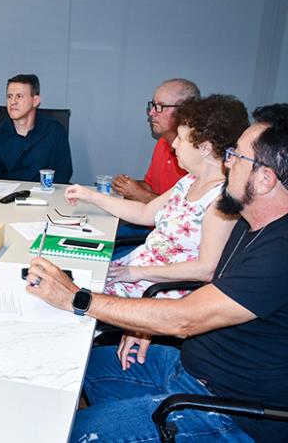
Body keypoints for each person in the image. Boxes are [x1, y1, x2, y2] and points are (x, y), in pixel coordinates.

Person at [26, 103, 288, 442]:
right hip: (187, 369)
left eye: (238, 157)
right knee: (72, 368)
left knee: (71, 434)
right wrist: (145, 325)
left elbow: (186, 318)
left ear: (265, 179)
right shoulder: (249, 223)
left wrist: (75, 298)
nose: (228, 162)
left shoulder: (279, 253)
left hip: (226, 410)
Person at [66, 95, 248, 298]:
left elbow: (206, 268)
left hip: (159, 289)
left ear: (204, 148)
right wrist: (89, 195)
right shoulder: (189, 181)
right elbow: (145, 213)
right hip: (135, 273)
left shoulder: (220, 199)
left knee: (67, 296)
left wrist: (137, 272)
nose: (174, 145)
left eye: (181, 138)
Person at [112, 78, 200, 203]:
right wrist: (127, 186)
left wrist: (139, 193)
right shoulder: (163, 142)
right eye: (153, 105)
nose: (151, 113)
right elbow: (151, 187)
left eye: (160, 106)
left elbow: (185, 212)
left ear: (185, 111)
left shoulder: (197, 154)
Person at [0, 74, 72, 183]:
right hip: (5, 197)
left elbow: (64, 173)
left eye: (19, 96)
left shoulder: (54, 132)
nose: (12, 102)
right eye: (9, 96)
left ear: (35, 101)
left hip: (44, 196)